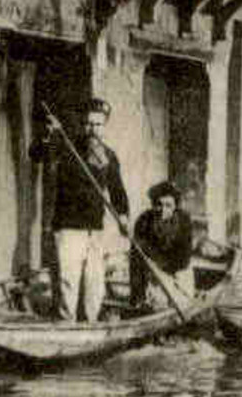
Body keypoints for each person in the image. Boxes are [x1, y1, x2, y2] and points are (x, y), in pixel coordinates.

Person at [30, 98, 129, 321]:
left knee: (95, 284)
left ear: (105, 126)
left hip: (95, 229)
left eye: (98, 124)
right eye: (88, 124)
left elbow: (117, 190)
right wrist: (49, 134)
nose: (93, 129)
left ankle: (90, 327)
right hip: (68, 228)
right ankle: (66, 325)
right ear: (82, 125)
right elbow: (35, 154)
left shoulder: (109, 157)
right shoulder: (66, 147)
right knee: (68, 282)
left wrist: (123, 216)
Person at [130, 181, 195, 309]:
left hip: (178, 270)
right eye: (158, 205)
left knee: (183, 303)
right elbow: (136, 260)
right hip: (153, 271)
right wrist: (137, 296)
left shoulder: (184, 221)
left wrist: (164, 271)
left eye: (168, 205)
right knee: (155, 304)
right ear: (152, 205)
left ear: (175, 206)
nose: (163, 210)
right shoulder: (143, 221)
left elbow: (184, 258)